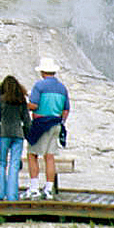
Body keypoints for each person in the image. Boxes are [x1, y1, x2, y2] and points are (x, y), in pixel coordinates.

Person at [25, 58, 70, 200]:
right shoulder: (62, 88)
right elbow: (66, 110)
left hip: (41, 124)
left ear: (43, 72)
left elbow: (34, 106)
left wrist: (23, 103)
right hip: (56, 123)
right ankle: (49, 189)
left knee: (32, 154)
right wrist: (60, 121)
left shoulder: (39, 86)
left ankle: (34, 188)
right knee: (50, 157)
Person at [0, 75, 31, 201]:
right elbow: (26, 120)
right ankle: (12, 195)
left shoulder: (1, 99)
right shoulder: (21, 100)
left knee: (2, 163)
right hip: (18, 134)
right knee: (14, 165)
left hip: (4, 133)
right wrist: (29, 134)